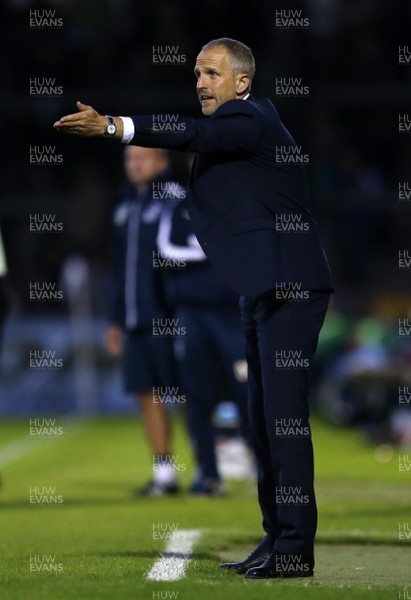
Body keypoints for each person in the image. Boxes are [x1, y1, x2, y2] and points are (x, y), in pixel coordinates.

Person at [54, 37, 333, 579]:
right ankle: (277, 537)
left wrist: (114, 125)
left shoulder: (250, 118)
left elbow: (190, 133)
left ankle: (295, 548)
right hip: (263, 289)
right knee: (261, 419)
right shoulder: (239, 127)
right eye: (197, 73)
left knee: (284, 422)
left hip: (290, 288)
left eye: (210, 73)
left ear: (241, 82)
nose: (200, 82)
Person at [157, 191, 251, 496]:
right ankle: (208, 474)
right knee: (196, 397)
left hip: (232, 314)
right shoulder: (178, 208)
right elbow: (165, 249)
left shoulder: (238, 204)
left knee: (248, 392)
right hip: (192, 314)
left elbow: (250, 249)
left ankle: (266, 466)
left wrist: (203, 246)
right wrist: (212, 248)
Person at [104, 145, 180, 497]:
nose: (134, 165)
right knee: (146, 394)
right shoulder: (124, 205)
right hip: (135, 320)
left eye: (142, 158)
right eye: (129, 159)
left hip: (171, 317)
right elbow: (119, 271)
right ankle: (164, 473)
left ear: (162, 162)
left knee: (189, 392)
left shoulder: (175, 199)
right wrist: (116, 320)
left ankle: (215, 462)